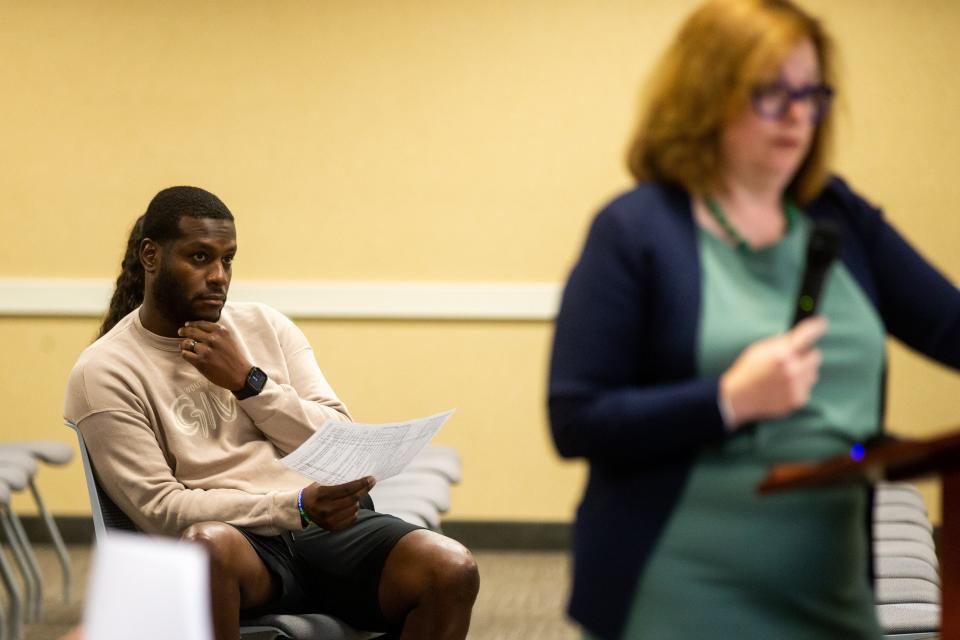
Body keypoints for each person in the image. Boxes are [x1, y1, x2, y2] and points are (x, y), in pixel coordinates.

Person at [548, 1, 960, 639]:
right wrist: (727, 400)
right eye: (772, 93)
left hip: (833, 584)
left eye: (812, 93)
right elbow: (576, 419)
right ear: (706, 95)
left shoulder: (838, 217)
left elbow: (949, 326)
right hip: (682, 583)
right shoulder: (636, 229)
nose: (798, 114)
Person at [64, 186, 479, 640]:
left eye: (228, 260)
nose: (219, 276)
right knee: (207, 547)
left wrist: (249, 383)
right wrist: (293, 507)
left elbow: (337, 439)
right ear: (150, 256)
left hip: (326, 529)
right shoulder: (105, 370)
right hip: (241, 542)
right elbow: (161, 510)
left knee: (451, 568)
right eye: (200, 258)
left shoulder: (265, 325)